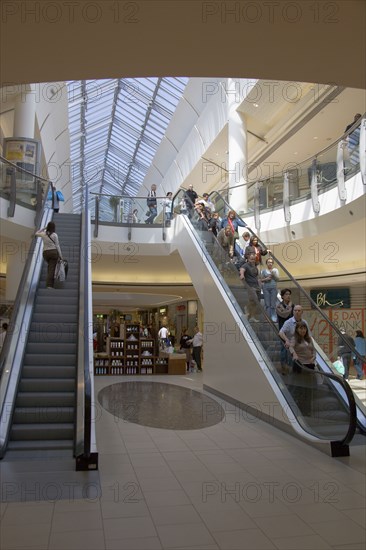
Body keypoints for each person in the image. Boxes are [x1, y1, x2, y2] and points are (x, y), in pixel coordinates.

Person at [279, 305, 310, 373]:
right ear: (293, 312)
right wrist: (286, 340)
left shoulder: (305, 323)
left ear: (302, 312)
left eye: (299, 311)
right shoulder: (288, 322)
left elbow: (308, 335)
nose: (297, 312)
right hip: (291, 347)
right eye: (295, 310)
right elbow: (281, 332)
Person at [35, 221, 63, 288]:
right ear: (54, 227)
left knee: (50, 267)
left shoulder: (43, 234)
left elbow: (36, 233)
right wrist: (61, 256)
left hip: (45, 253)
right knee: (51, 269)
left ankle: (49, 282)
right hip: (53, 253)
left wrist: (44, 228)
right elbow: (57, 245)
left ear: (48, 227)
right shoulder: (54, 235)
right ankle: (49, 285)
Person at [238, 252, 261, 322]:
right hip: (250, 286)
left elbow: (256, 275)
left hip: (257, 285)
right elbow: (242, 270)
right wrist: (242, 275)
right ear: (248, 259)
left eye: (254, 259)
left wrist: (259, 281)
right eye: (251, 259)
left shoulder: (255, 266)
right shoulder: (246, 265)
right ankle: (247, 308)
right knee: (253, 299)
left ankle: (252, 316)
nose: (253, 260)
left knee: (256, 302)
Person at [276, 289, 294, 374]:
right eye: (286, 294)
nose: (288, 296)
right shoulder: (279, 306)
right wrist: (289, 307)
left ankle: (290, 367)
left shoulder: (293, 306)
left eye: (289, 294)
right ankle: (283, 367)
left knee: (292, 349)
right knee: (284, 349)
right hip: (283, 332)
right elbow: (284, 314)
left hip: (292, 332)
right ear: (282, 296)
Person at [261, 258, 279, 322]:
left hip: (273, 288)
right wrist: (266, 279)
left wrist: (273, 274)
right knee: (267, 304)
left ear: (273, 263)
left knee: (273, 304)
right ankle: (267, 318)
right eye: (268, 262)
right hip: (265, 288)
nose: (270, 263)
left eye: (271, 262)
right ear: (266, 263)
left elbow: (277, 279)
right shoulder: (263, 271)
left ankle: (273, 318)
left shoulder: (275, 270)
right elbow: (261, 280)